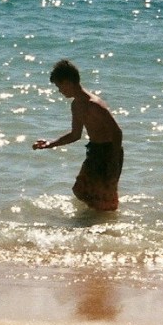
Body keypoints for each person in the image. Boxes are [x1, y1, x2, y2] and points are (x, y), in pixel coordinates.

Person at [32, 59, 123, 211]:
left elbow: (117, 132)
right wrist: (51, 143)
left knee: (105, 199)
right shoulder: (76, 105)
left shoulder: (94, 104)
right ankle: (94, 221)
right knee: (81, 190)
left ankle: (107, 225)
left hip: (109, 152)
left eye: (59, 86)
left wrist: (113, 161)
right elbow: (75, 134)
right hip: (94, 151)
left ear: (68, 82)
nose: (59, 91)